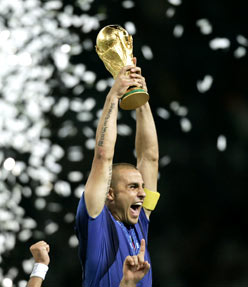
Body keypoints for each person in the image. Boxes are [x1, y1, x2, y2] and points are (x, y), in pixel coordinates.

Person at [76, 58, 159, 287]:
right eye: (133, 187)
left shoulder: (140, 220)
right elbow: (103, 157)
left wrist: (139, 96)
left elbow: (149, 158)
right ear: (109, 194)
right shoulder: (96, 222)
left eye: (141, 186)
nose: (143, 193)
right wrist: (113, 96)